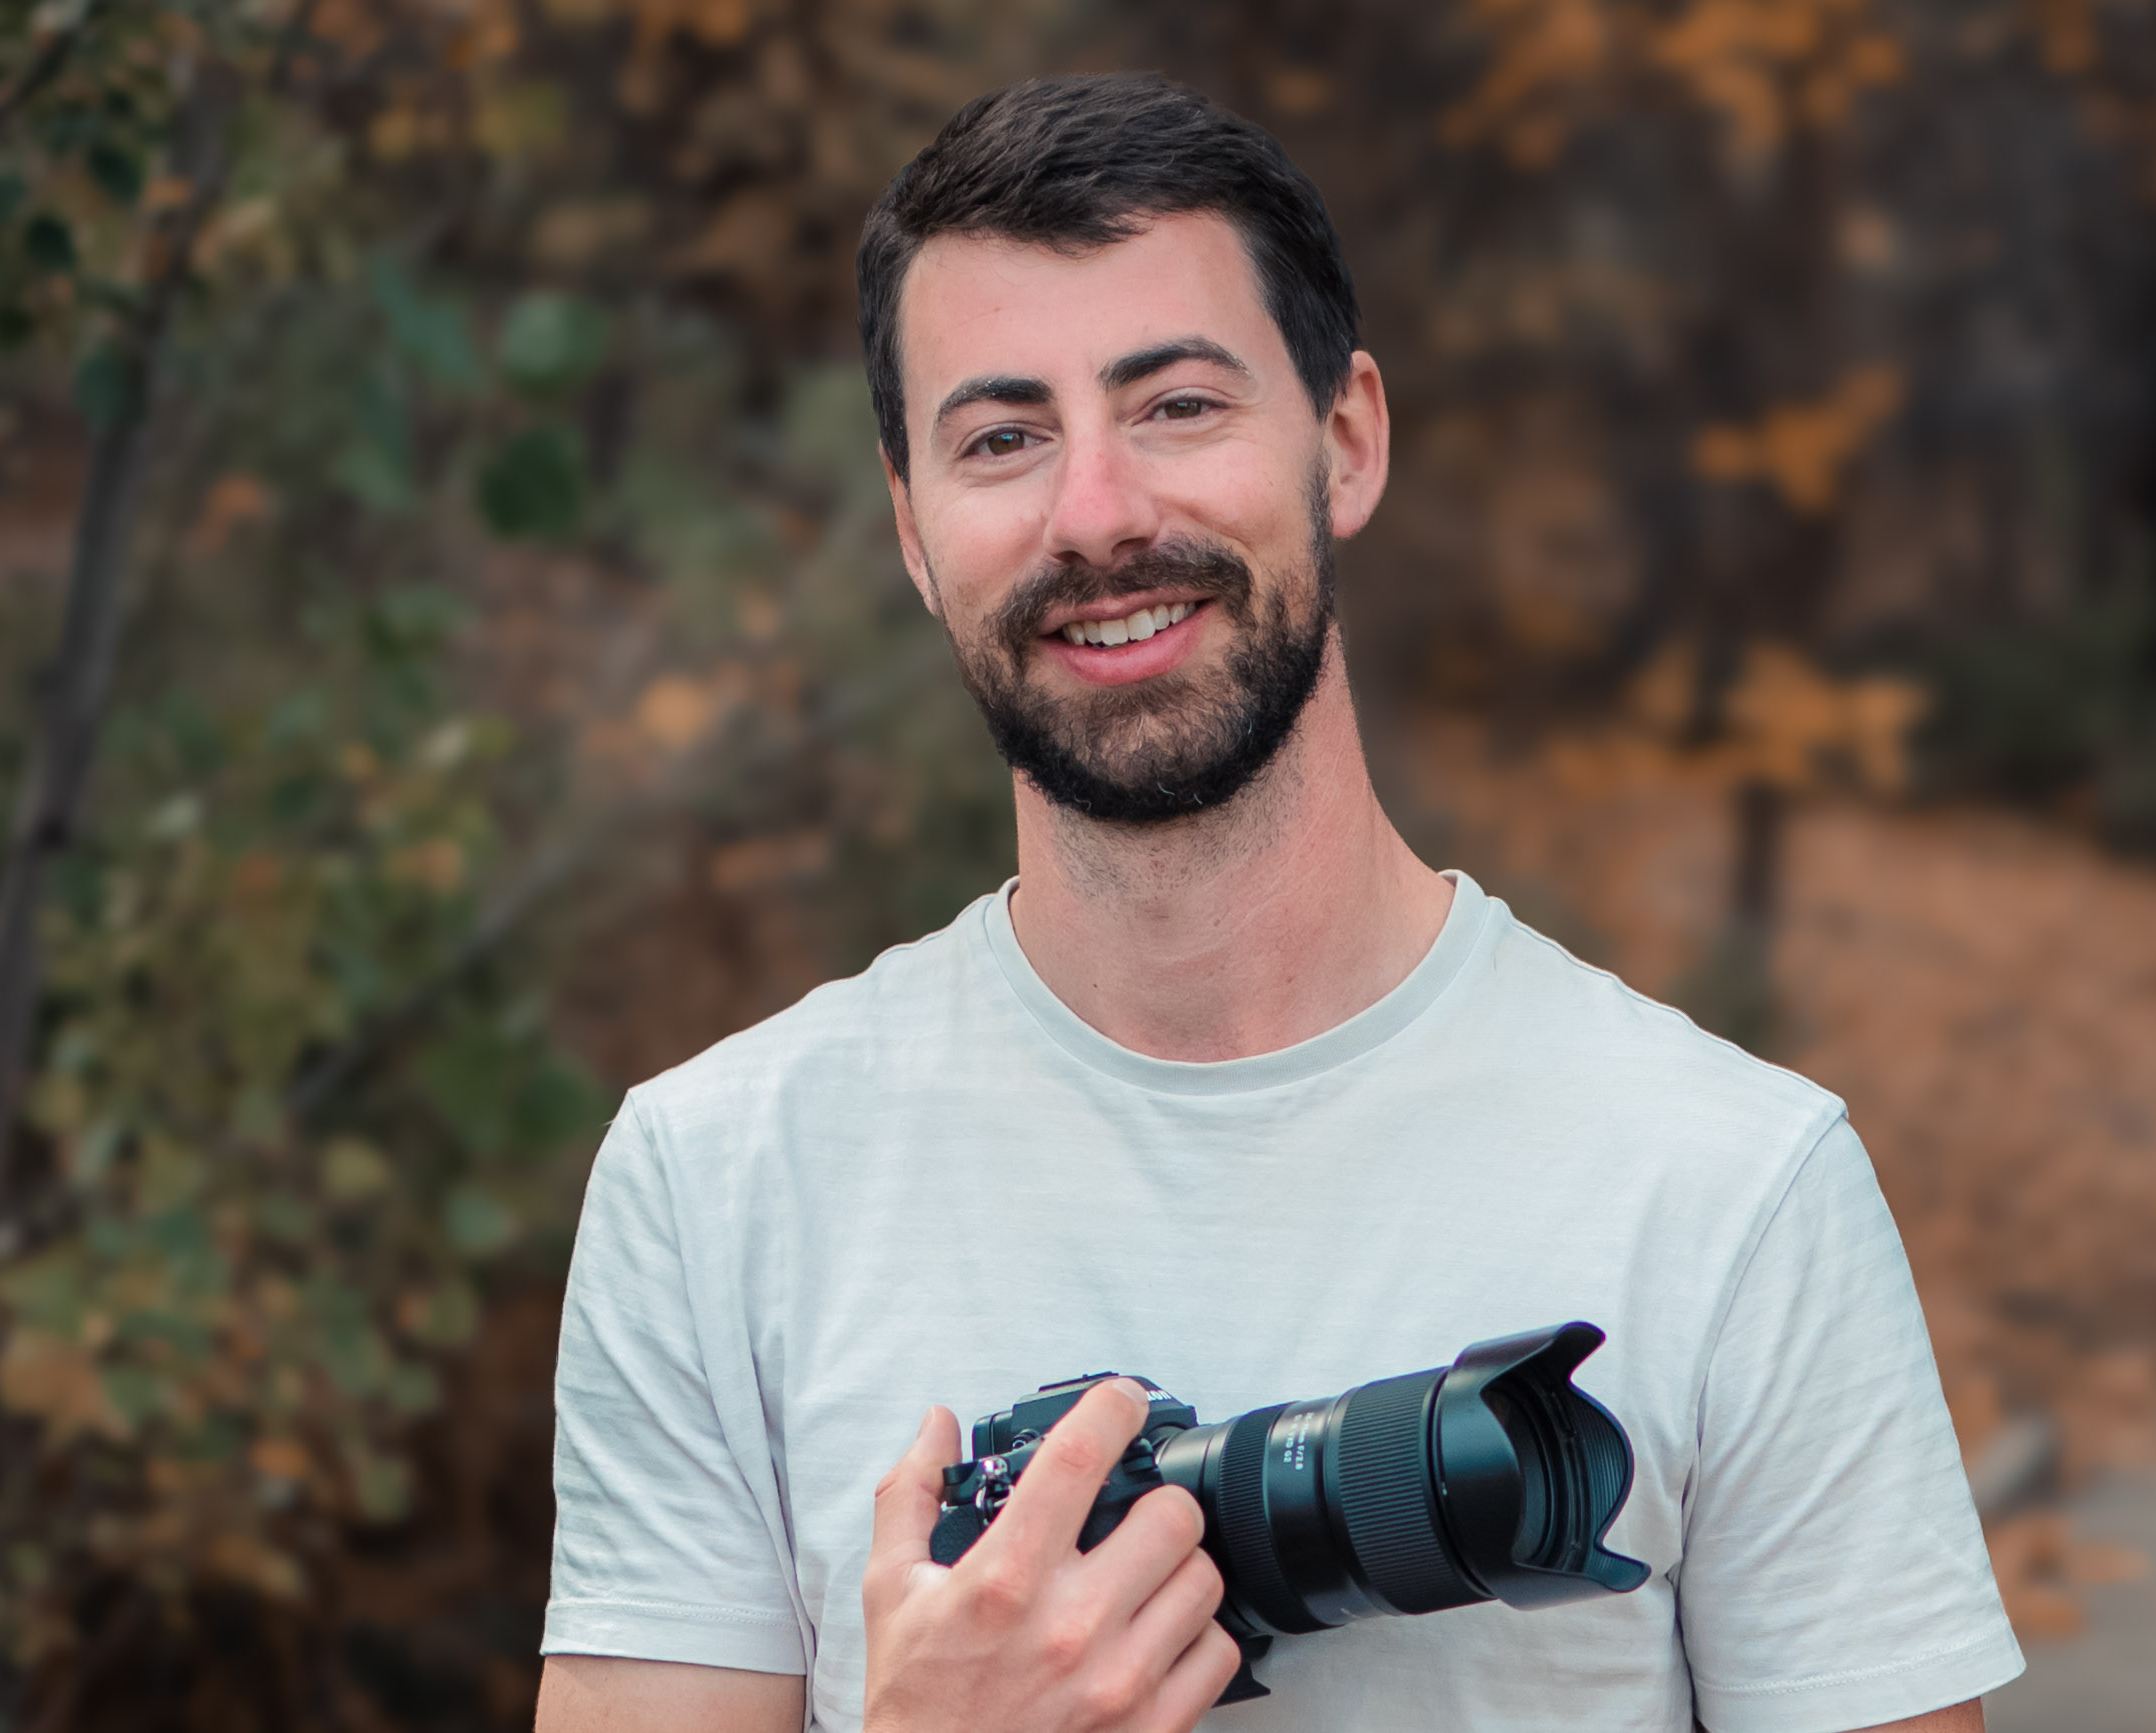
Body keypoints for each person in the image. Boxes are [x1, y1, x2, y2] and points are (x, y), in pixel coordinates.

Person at [533, 73, 2022, 1733]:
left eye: (1176, 404)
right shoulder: (719, 1181)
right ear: (911, 530)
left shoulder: (1733, 1188)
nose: (1096, 514)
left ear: (1349, 439)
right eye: (1004, 437)